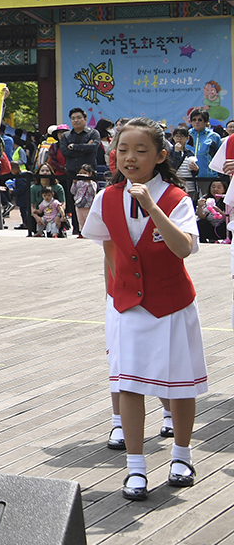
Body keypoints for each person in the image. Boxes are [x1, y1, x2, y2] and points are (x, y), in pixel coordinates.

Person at [83, 117, 205, 499]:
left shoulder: (175, 198)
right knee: (129, 384)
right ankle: (135, 468)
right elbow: (110, 252)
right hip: (128, 306)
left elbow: (183, 247)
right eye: (122, 150)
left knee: (180, 383)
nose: (129, 158)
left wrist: (151, 206)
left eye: (140, 151)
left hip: (172, 304)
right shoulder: (105, 198)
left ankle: (181, 456)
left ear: (161, 156)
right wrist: (113, 299)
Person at [58, 108, 101, 236]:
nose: (76, 120)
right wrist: (84, 147)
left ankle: (92, 229)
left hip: (89, 174)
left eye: (79, 118)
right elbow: (65, 152)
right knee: (74, 202)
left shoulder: (93, 133)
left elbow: (93, 148)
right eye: (73, 118)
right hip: (72, 173)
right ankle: (77, 229)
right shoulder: (66, 136)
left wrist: (75, 147)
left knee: (91, 201)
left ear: (85, 119)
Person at [187, 110, 219, 195]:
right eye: (194, 119)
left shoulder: (214, 136)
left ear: (206, 121)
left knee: (208, 204)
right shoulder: (186, 135)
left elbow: (219, 157)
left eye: (200, 120)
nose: (197, 122)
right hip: (188, 177)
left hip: (208, 177)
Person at [71, 165, 99, 236]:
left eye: (85, 173)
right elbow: (72, 191)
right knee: (80, 220)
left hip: (88, 205)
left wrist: (89, 182)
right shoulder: (78, 183)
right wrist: (74, 182)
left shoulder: (92, 183)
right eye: (81, 173)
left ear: (90, 174)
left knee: (88, 220)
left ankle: (89, 233)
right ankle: (82, 233)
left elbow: (92, 192)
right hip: (79, 204)